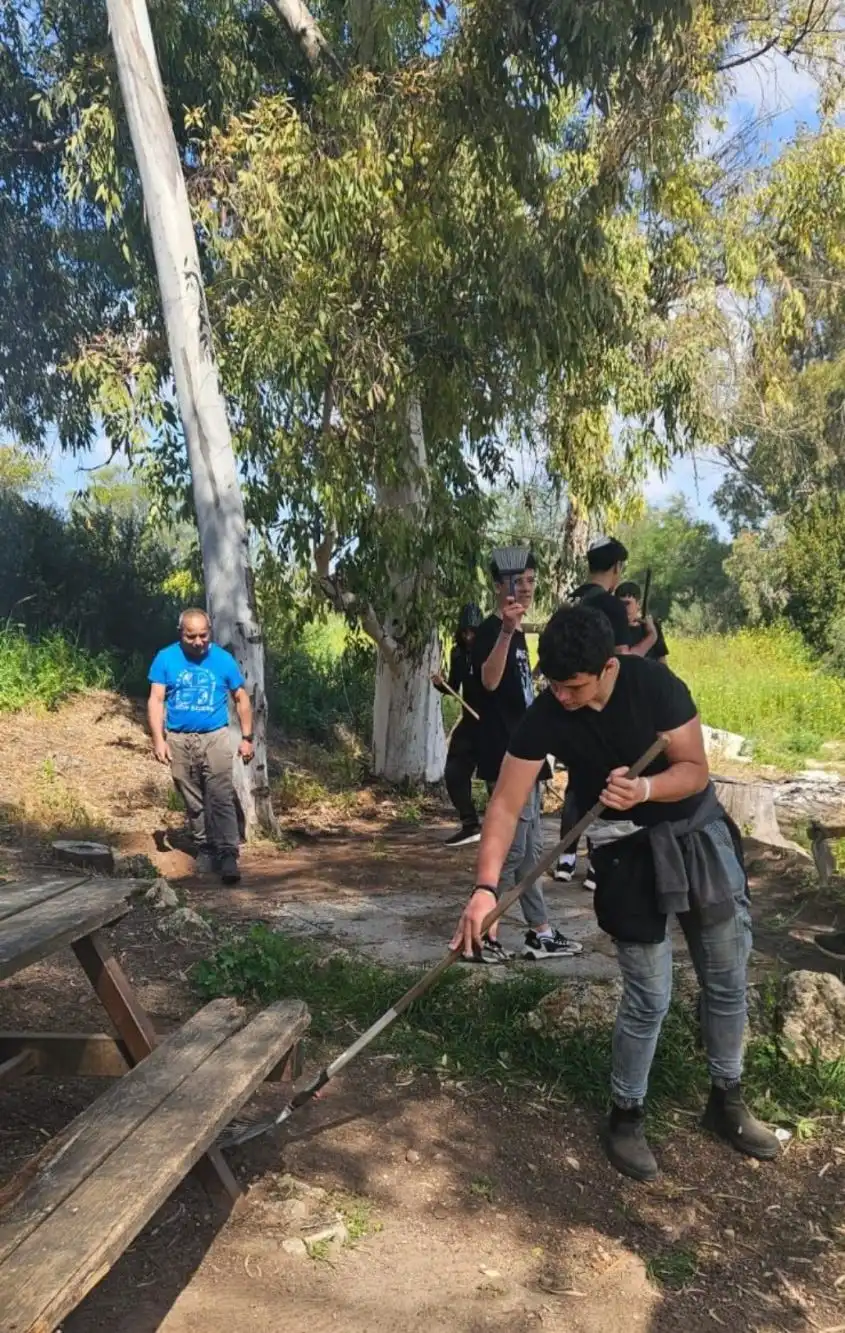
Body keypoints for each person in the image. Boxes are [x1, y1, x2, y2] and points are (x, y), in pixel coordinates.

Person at [452, 603, 780, 1181]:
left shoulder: (654, 685)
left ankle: (726, 1100)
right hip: (623, 849)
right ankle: (626, 1116)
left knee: (726, 978)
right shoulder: (547, 712)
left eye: (573, 685)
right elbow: (505, 804)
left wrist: (648, 786)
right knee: (649, 994)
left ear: (608, 667)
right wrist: (483, 888)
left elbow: (695, 769)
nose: (563, 696)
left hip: (695, 837)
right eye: (553, 684)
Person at [469, 549, 582, 962]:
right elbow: (489, 680)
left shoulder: (517, 634)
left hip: (530, 756)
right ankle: (482, 933)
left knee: (528, 852)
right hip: (507, 759)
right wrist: (504, 632)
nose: (529, 589)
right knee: (511, 852)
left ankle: (540, 931)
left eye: (533, 582)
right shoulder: (493, 631)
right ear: (501, 586)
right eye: (521, 582)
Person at [554, 536, 658, 885]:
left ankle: (566, 858)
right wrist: (649, 641)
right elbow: (622, 664)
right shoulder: (610, 607)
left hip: (567, 707)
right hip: (602, 711)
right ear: (616, 567)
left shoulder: (570, 601)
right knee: (610, 784)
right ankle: (601, 862)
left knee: (575, 786)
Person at [147, 609, 254, 884]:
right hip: (179, 739)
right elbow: (156, 699)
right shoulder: (165, 658)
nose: (198, 642)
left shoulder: (222, 660)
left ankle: (228, 853)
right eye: (190, 636)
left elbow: (241, 698)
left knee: (220, 795)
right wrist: (159, 739)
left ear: (210, 632)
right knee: (191, 796)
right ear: (180, 633)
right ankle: (205, 847)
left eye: (203, 636)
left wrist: (247, 737)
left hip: (215, 736)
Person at [432, 603, 485, 846]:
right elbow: (453, 687)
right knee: (454, 773)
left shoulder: (490, 651)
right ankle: (470, 824)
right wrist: (440, 683)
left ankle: (509, 832)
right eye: (465, 632)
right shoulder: (458, 654)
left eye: (473, 632)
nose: (469, 637)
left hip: (492, 722)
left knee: (497, 778)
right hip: (469, 723)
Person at [616, 580, 669, 663]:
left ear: (639, 604)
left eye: (627, 603)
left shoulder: (652, 626)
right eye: (619, 604)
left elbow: (662, 661)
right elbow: (626, 660)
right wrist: (651, 636)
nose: (623, 608)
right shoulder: (613, 629)